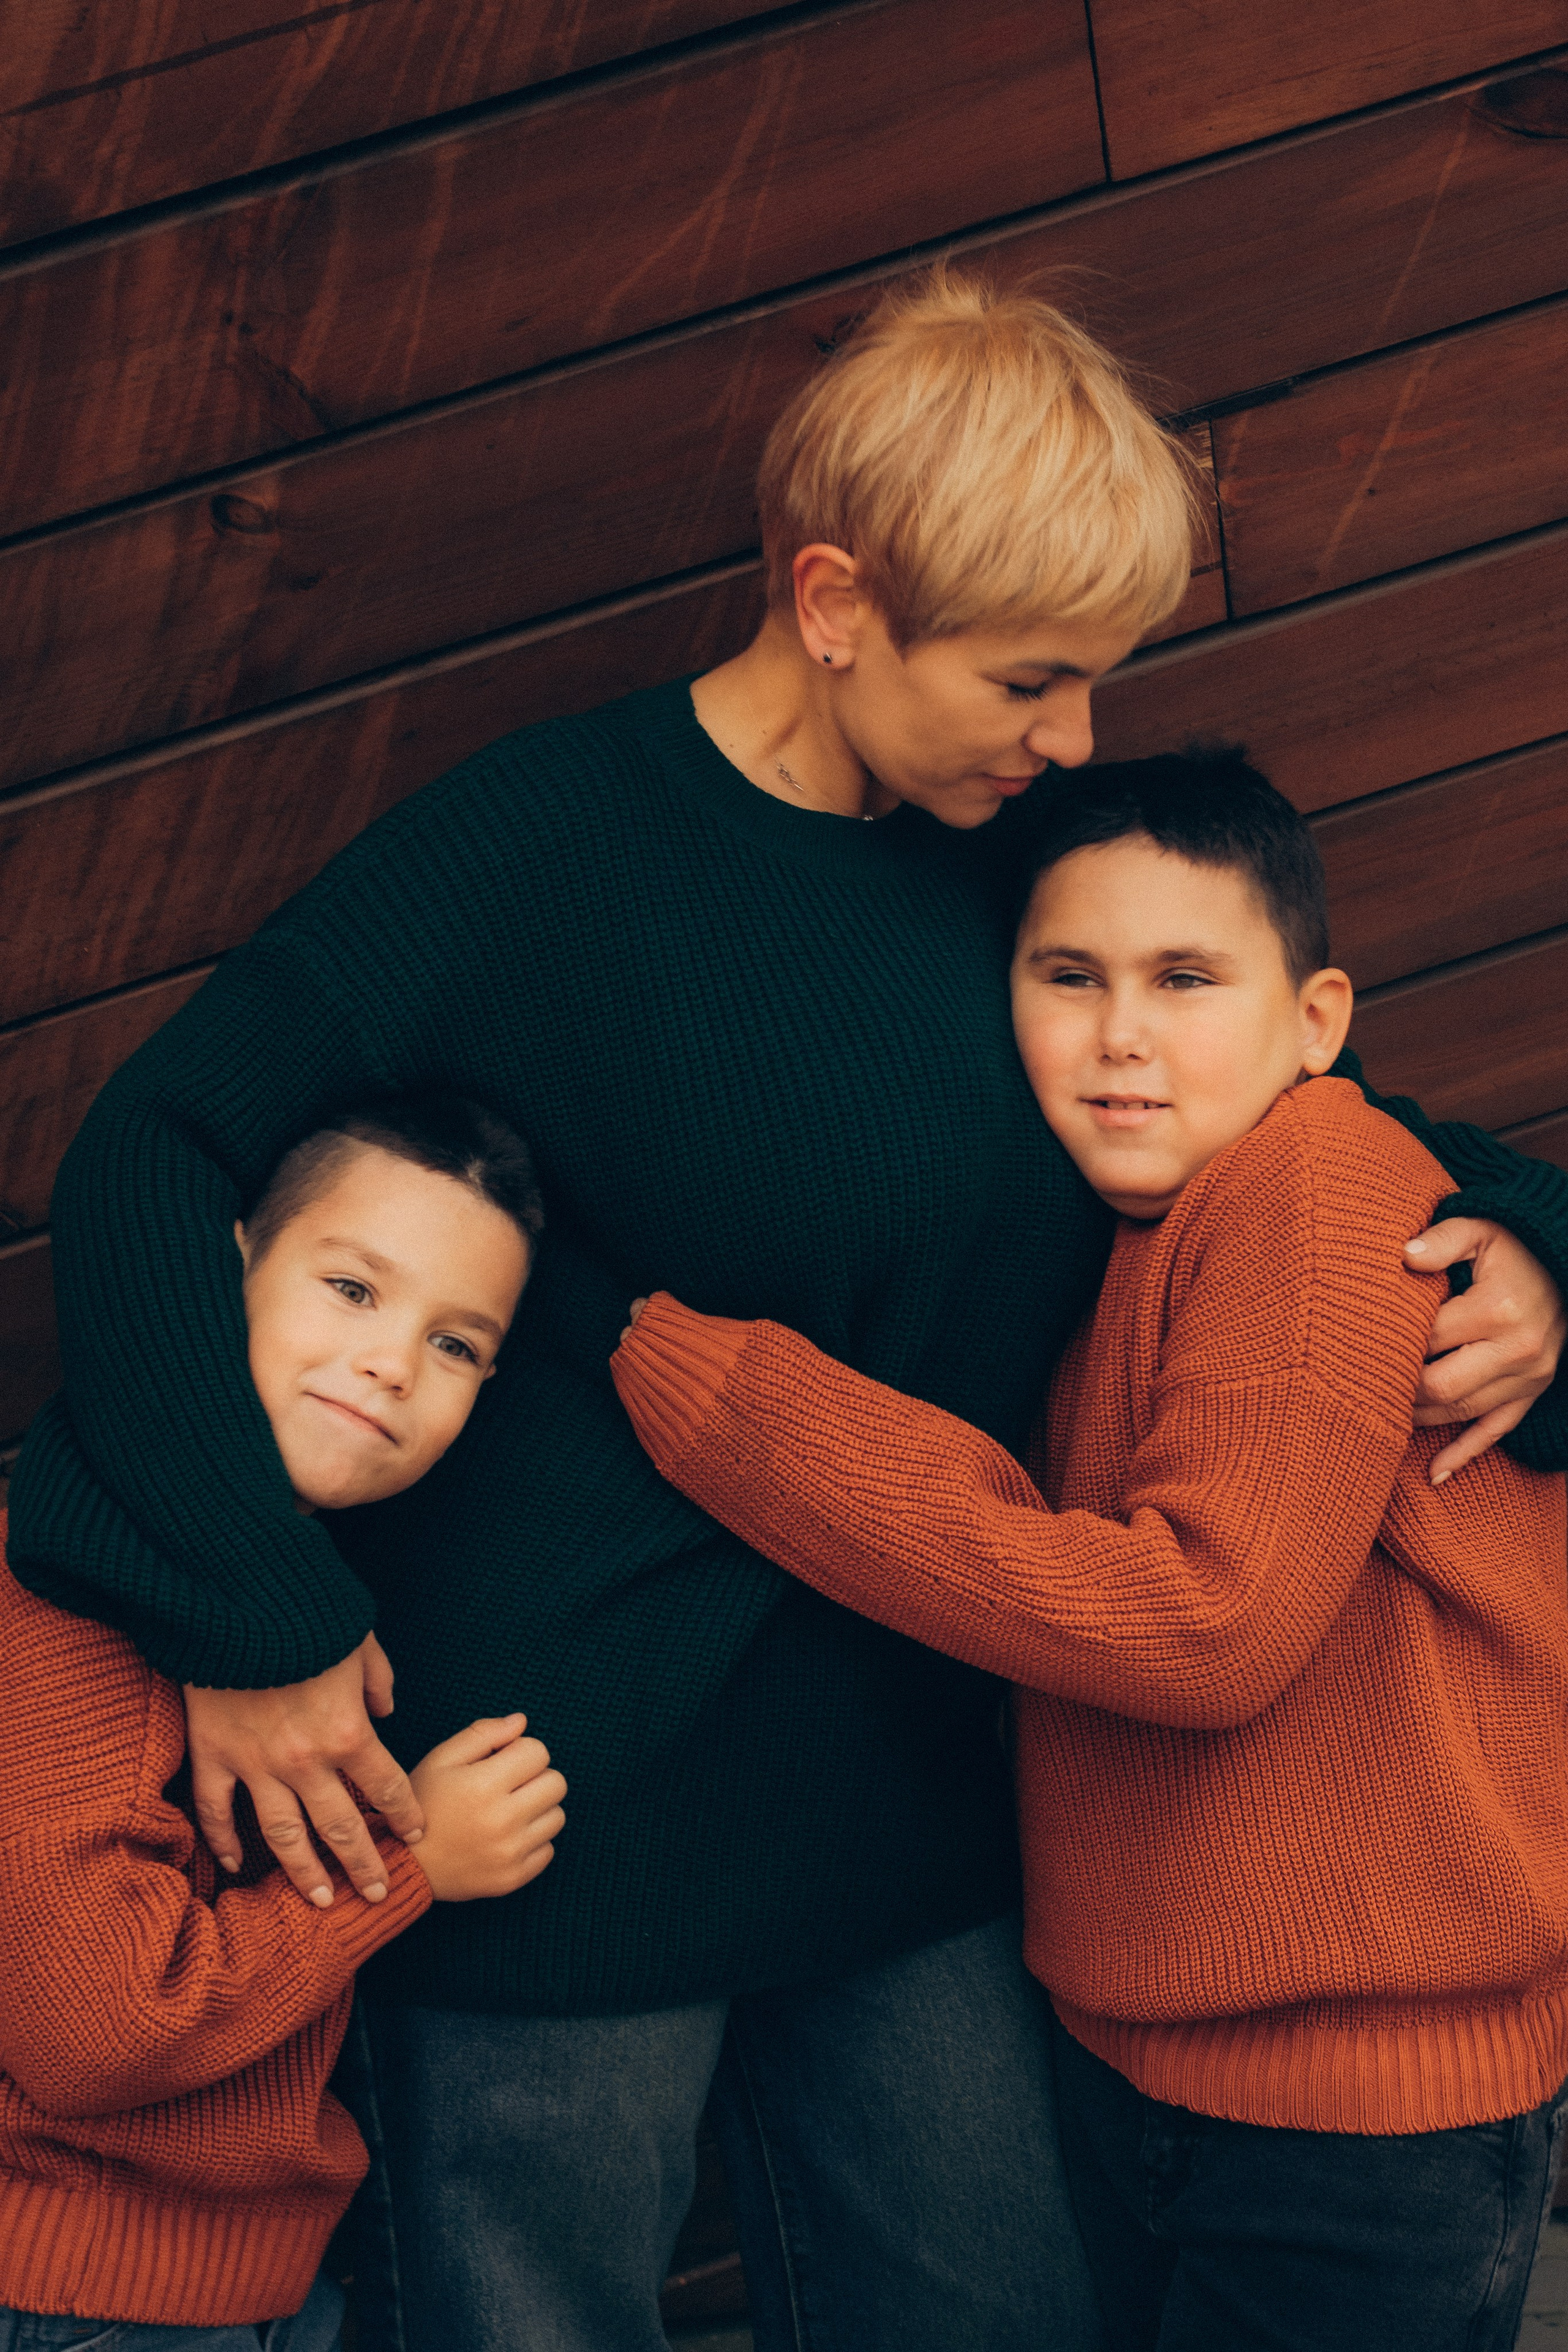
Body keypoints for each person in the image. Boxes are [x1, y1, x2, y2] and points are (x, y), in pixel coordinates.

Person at [8, 273, 1567, 2352]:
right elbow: (151, 1157)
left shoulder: (1015, 867)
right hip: (545, 1822)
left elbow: (1292, 1103)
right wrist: (251, 1619)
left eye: (1102, 681)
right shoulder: (545, 843)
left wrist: (1546, 1247)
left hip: (925, 1808)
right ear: (836, 606)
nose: (1074, 738)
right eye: (1029, 678)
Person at [611, 753, 1568, 2352]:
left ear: (1317, 1019)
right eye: (1071, 978)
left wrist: (742, 1414)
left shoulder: (1316, 1183)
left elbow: (1204, 1625)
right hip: (1157, 2070)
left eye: (1185, 979)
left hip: (1363, 2118)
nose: (1123, 1033)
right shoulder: (1130, 1231)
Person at [0, 1096, 565, 2351]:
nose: (392, 1362)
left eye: (457, 1344)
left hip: (240, 2285)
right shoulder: (70, 1605)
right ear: (228, 1264)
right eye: (355, 1290)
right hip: (78, 2289)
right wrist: (414, 1871)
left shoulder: (314, 1606)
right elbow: (97, 2031)